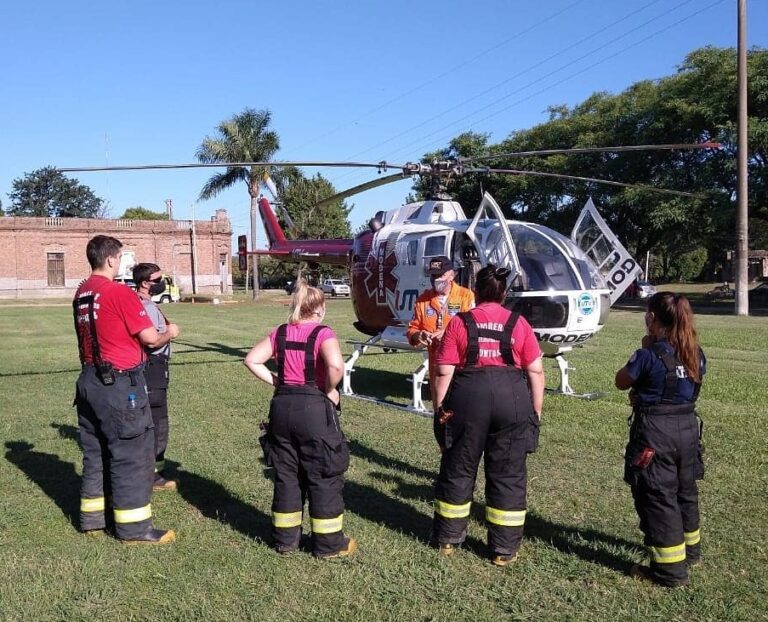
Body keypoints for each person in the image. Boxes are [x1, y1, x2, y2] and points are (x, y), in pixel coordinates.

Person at [430, 264, 545, 566]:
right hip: (512, 399)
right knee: (508, 474)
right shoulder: (519, 323)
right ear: (504, 294)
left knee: (458, 466)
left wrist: (440, 412)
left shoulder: (459, 322)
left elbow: (444, 372)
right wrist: (535, 412)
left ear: (475, 291)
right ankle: (503, 549)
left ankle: (448, 538)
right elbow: (535, 371)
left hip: (468, 398)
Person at [73, 235, 179, 544]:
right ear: (110, 259)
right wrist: (170, 332)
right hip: (119, 384)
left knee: (96, 453)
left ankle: (93, 520)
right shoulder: (118, 292)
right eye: (120, 258)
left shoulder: (82, 293)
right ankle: (134, 529)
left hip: (89, 380)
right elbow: (150, 338)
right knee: (131, 454)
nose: (120, 263)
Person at [244, 281, 356, 558]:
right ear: (320, 308)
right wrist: (328, 389)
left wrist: (278, 382)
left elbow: (252, 360)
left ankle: (285, 540)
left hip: (281, 406)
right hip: (313, 407)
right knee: (323, 472)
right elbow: (336, 365)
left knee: (286, 473)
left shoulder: (281, 332)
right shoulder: (322, 333)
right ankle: (329, 544)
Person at [615, 292, 706, 588]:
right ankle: (691, 553)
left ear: (652, 318)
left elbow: (621, 381)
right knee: (685, 491)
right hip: (688, 431)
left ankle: (669, 571)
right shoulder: (696, 353)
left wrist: (646, 349)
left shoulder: (648, 355)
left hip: (656, 434)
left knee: (658, 496)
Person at [132, 263, 178, 492]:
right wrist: (170, 333)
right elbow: (151, 341)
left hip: (149, 368)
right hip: (153, 368)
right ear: (144, 283)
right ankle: (151, 476)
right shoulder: (146, 307)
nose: (162, 283)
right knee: (158, 422)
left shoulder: (140, 303)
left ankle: (155, 472)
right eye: (157, 279)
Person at [406, 256, 475, 407]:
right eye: (433, 275)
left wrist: (448, 333)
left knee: (463, 407)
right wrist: (419, 335)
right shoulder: (423, 300)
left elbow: (473, 328)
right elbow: (412, 329)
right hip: (436, 365)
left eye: (440, 275)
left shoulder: (466, 296)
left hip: (461, 365)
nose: (436, 279)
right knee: (440, 409)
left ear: (452, 274)